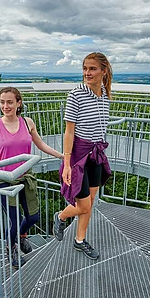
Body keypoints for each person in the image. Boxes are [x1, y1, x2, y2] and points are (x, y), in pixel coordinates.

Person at [0, 87, 63, 268]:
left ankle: (21, 235)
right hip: (4, 178)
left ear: (19, 103)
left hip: (26, 176)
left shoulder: (27, 122)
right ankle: (11, 249)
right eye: (2, 102)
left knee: (33, 217)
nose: (5, 106)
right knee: (14, 219)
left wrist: (61, 156)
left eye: (9, 102)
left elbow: (40, 144)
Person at [53, 52, 112, 260]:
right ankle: (60, 216)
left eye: (93, 68)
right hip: (78, 154)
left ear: (104, 71)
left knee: (91, 200)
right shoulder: (76, 93)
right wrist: (67, 163)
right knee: (83, 204)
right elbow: (69, 131)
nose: (87, 73)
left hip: (96, 153)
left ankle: (79, 241)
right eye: (85, 68)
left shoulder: (104, 93)